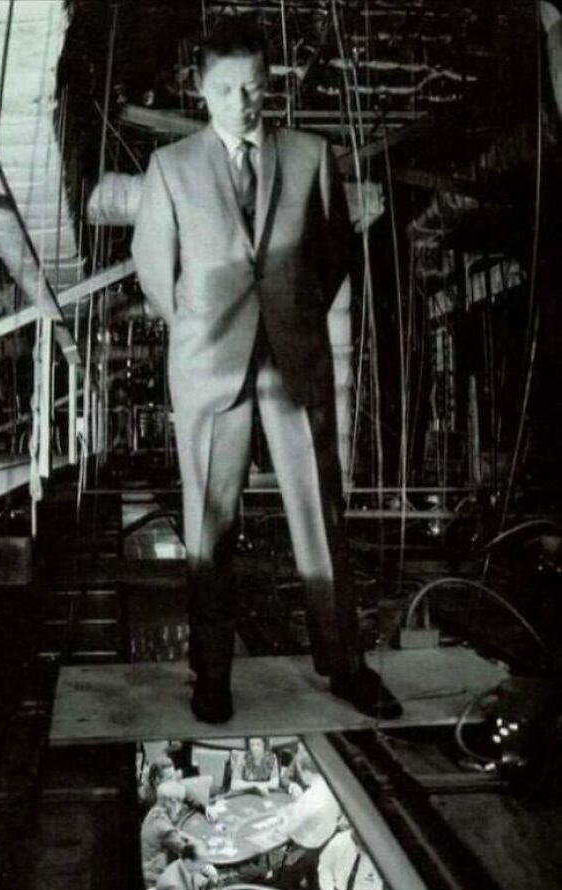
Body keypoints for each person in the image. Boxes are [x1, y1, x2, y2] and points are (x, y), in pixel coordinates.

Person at [132, 17, 401, 724]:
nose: (241, 101)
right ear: (201, 88)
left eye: (254, 87)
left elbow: (334, 252)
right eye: (225, 89)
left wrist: (297, 315)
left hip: (294, 357)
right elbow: (155, 275)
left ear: (270, 83)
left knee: (319, 512)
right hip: (211, 367)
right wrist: (205, 324)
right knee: (208, 525)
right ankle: (211, 676)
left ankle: (345, 664)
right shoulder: (171, 169)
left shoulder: (312, 154)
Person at [275, 751, 340, 890]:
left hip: (305, 850)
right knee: (315, 883)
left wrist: (282, 818)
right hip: (325, 843)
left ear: (306, 772)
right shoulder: (332, 785)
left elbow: (288, 828)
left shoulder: (311, 796)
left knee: (286, 884)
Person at [141, 780, 192, 887]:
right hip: (155, 879)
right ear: (172, 802)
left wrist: (189, 837)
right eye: (180, 802)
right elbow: (188, 851)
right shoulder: (163, 827)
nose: (181, 807)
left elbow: (173, 832)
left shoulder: (154, 813)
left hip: (147, 870)